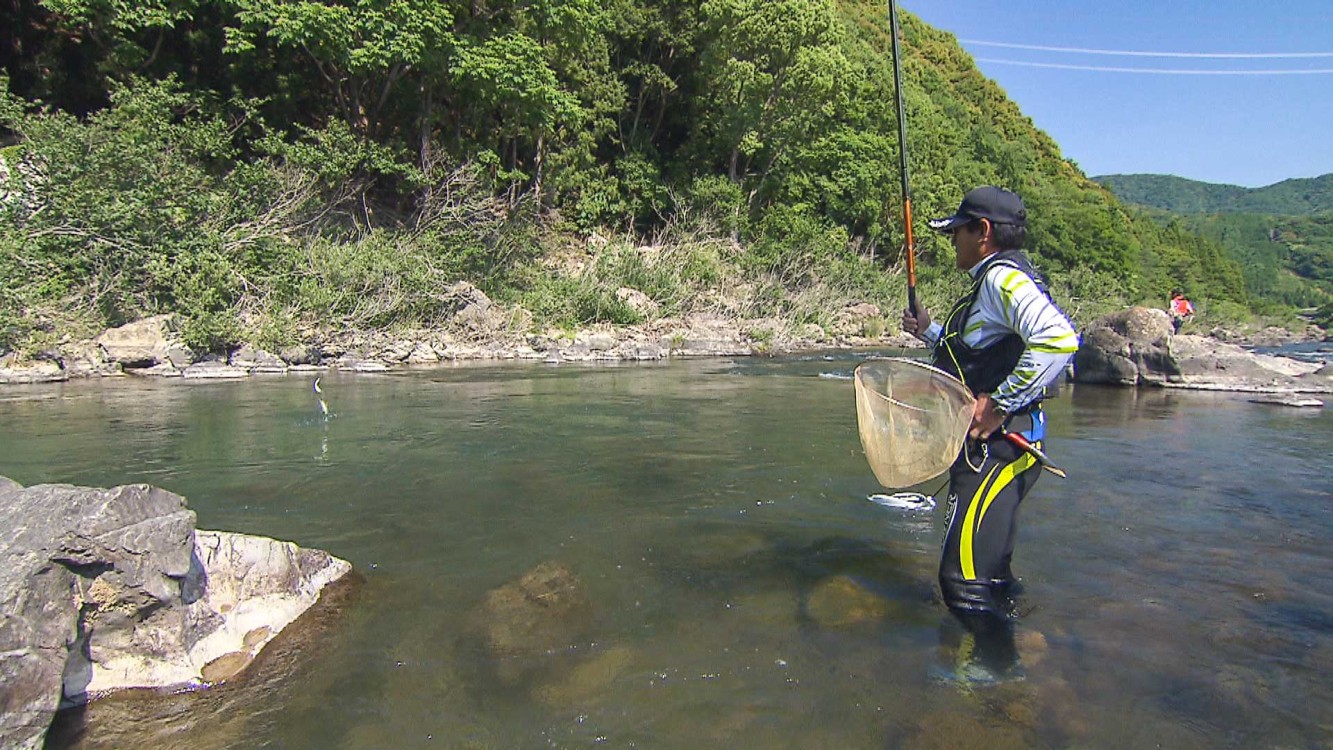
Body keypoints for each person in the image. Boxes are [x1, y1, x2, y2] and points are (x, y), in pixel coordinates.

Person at [900, 186, 1079, 681]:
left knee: (961, 583)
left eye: (958, 230)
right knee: (992, 575)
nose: (952, 240)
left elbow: (1059, 340)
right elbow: (982, 349)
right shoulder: (994, 281)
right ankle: (1012, 662)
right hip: (1009, 449)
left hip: (1000, 450)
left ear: (983, 233)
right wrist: (932, 332)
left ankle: (992, 685)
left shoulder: (1000, 279)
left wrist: (999, 405)